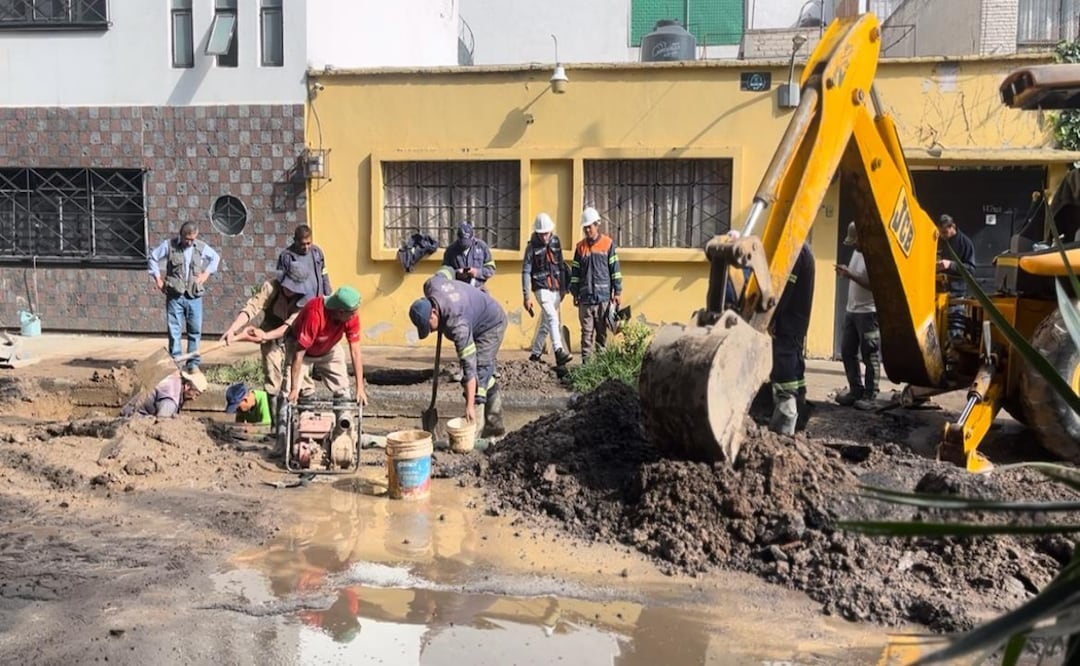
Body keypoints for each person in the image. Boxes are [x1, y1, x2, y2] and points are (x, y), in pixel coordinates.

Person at [409, 266, 507, 437]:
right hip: (472, 315)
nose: (431, 331)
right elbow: (447, 270)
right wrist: (458, 274)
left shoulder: (457, 325)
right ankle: (496, 426)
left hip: (491, 324)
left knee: (480, 373)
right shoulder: (432, 284)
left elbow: (469, 369)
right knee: (483, 376)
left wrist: (468, 405)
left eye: (429, 327)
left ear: (434, 312)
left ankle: (473, 434)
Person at [219, 262, 315, 400]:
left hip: (295, 333)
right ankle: (275, 409)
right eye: (288, 286)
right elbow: (252, 307)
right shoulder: (271, 287)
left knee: (295, 372)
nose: (289, 290)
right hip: (271, 325)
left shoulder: (305, 300)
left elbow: (287, 327)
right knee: (272, 373)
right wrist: (233, 330)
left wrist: (264, 335)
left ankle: (302, 404)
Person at [260, 286, 368, 406]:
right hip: (300, 349)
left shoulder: (350, 315)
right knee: (288, 393)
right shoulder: (315, 313)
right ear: (340, 312)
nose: (355, 315)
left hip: (329, 347)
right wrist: (294, 388)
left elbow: (355, 352)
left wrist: (360, 388)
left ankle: (344, 420)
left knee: (343, 389)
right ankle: (284, 420)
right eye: (352, 313)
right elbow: (299, 353)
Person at [147, 222, 220, 371]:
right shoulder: (169, 245)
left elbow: (215, 258)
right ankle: (176, 363)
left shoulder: (200, 247)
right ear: (182, 236)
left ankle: (193, 364)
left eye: (193, 239)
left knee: (195, 331)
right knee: (174, 330)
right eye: (188, 239)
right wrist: (158, 279)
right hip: (175, 296)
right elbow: (153, 258)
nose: (190, 242)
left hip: (194, 296)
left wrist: (206, 274)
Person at [769, 242, 815, 435]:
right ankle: (802, 415)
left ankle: (785, 423)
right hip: (797, 321)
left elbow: (786, 288)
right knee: (796, 369)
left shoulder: (798, 251)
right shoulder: (807, 252)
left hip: (788, 321)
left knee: (785, 369)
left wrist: (772, 315)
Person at [835, 222, 881, 411]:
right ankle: (856, 390)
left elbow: (873, 284)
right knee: (847, 351)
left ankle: (871, 395)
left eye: (855, 241)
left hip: (868, 313)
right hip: (852, 311)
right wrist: (847, 271)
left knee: (870, 355)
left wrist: (850, 274)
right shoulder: (857, 252)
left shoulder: (874, 256)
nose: (853, 245)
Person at [569, 207, 623, 362]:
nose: (587, 230)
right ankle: (586, 366)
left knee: (601, 335)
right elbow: (575, 274)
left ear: (597, 224)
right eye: (585, 227)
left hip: (603, 299)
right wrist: (574, 293)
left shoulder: (608, 244)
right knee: (586, 335)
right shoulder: (580, 248)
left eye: (589, 226)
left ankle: (600, 366)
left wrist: (617, 292)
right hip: (585, 299)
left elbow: (615, 270)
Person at [522, 212, 572, 367]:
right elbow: (526, 271)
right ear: (537, 233)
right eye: (541, 234)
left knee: (545, 324)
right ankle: (559, 351)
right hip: (540, 288)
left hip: (556, 288)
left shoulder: (556, 242)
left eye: (547, 233)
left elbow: (561, 266)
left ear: (551, 231)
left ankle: (535, 354)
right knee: (552, 317)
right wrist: (526, 296)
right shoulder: (531, 247)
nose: (544, 237)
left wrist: (563, 288)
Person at [936, 214, 976, 342]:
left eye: (945, 232)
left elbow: (970, 269)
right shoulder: (940, 241)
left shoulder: (965, 243)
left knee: (954, 332)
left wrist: (950, 265)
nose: (943, 235)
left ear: (953, 227)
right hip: (939, 293)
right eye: (940, 232)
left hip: (956, 295)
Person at [121, 370, 208, 418]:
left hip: (130, 408)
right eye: (195, 394)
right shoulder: (170, 401)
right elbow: (161, 424)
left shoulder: (175, 380)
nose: (194, 399)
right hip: (131, 418)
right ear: (187, 386)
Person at [277, 224, 332, 298]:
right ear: (295, 241)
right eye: (303, 244)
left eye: (308, 243)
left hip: (317, 301)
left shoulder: (317, 252)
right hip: (298, 305)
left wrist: (328, 294)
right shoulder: (286, 257)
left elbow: (324, 273)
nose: (306, 247)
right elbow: (280, 282)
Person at [442, 221, 496, 290]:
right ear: (458, 238)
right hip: (459, 290)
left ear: (472, 237)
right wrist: (457, 274)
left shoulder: (482, 247)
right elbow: (444, 272)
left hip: (478, 289)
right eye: (462, 242)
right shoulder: (450, 250)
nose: (465, 245)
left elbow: (491, 269)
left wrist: (477, 272)